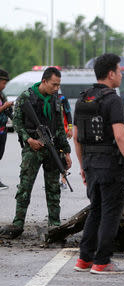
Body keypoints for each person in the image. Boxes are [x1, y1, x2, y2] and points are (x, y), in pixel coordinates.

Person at [73, 53, 124, 275]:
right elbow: (120, 136)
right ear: (111, 74)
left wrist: (83, 166)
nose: (121, 75)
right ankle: (102, 262)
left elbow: (77, 137)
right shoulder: (113, 100)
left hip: (91, 164)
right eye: (119, 71)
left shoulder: (84, 99)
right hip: (110, 165)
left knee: (96, 210)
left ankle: (84, 259)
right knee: (111, 213)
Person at [0, 67, 72, 239]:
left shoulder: (56, 99)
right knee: (25, 187)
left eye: (59, 85)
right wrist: (29, 140)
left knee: (53, 188)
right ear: (44, 81)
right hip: (32, 148)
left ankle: (54, 224)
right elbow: (16, 122)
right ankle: (18, 224)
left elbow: (60, 128)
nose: (56, 88)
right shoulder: (26, 97)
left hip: (51, 148)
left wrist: (67, 152)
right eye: (54, 84)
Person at [0, 69, 13, 190]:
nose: (4, 86)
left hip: (2, 130)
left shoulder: (2, 94)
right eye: (3, 82)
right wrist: (5, 106)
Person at [59, 93, 73, 190]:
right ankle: (53, 181)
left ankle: (63, 180)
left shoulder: (62, 98)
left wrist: (70, 128)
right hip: (50, 132)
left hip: (63, 131)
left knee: (64, 155)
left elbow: (68, 113)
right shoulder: (45, 97)